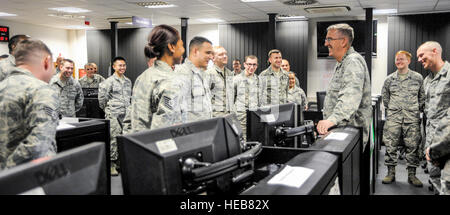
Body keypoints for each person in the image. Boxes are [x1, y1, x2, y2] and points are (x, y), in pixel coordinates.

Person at [0, 39, 59, 170]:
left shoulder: (2, 86)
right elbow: (39, 144)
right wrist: (7, 172)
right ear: (46, 61)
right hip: (29, 178)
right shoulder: (41, 90)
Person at [317, 23, 372, 145]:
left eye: (329, 39)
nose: (326, 44)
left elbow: (350, 98)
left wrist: (331, 120)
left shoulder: (352, 62)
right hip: (341, 130)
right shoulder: (342, 62)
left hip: (349, 133)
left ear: (343, 42)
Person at [129, 24, 187, 132]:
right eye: (181, 45)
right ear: (171, 47)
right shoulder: (170, 81)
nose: (183, 50)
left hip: (139, 143)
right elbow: (163, 130)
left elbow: (130, 118)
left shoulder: (143, 76)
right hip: (157, 146)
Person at [381, 50, 425, 187]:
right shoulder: (389, 79)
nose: (399, 62)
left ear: (409, 61)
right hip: (393, 118)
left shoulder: (417, 78)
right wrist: (394, 109)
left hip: (411, 118)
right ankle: (390, 173)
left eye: (402, 59)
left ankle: (412, 175)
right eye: (397, 59)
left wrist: (413, 109)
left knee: (413, 146)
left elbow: (422, 98)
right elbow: (385, 98)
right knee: (390, 145)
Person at [417, 41, 450, 194]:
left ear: (435, 51)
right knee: (436, 181)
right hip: (431, 142)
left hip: (446, 145)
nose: (419, 59)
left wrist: (438, 148)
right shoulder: (427, 80)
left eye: (422, 55)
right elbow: (429, 115)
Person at [98, 56, 132, 176]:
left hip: (126, 115)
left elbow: (129, 98)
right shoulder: (108, 82)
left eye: (124, 65)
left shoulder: (128, 81)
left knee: (124, 138)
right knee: (113, 139)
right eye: (119, 65)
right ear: (114, 67)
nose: (122, 67)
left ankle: (120, 163)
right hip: (113, 114)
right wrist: (109, 111)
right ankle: (112, 164)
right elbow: (102, 100)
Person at [175, 36, 214, 122]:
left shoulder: (203, 74)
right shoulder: (181, 73)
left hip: (205, 131)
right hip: (191, 133)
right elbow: (176, 110)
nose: (211, 57)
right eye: (208, 53)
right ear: (195, 51)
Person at [232, 55, 259, 141]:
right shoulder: (236, 80)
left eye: (254, 64)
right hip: (241, 120)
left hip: (255, 119)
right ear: (244, 64)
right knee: (241, 144)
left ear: (257, 65)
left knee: (254, 143)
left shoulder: (259, 81)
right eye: (249, 64)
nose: (251, 67)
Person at [206, 46, 234, 118]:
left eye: (225, 54)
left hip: (229, 116)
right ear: (213, 58)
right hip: (216, 117)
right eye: (221, 54)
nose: (225, 56)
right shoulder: (208, 74)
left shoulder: (229, 73)